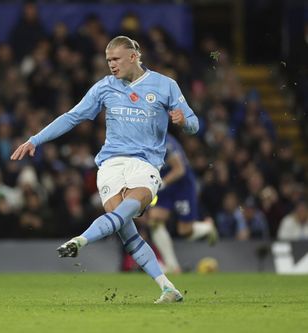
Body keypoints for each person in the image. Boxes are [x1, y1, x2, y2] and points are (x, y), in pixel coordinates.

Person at [12, 36, 199, 304]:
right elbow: (72, 116)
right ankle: (167, 287)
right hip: (110, 165)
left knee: (127, 211)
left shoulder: (165, 85)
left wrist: (184, 121)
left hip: (145, 164)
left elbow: (194, 123)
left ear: (133, 57)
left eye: (116, 59)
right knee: (124, 228)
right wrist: (35, 140)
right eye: (108, 60)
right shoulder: (105, 87)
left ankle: (81, 240)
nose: (111, 65)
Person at [147, 133, 217, 273]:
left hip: (181, 185)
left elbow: (179, 169)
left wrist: (162, 184)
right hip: (164, 182)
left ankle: (207, 227)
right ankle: (172, 266)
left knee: (185, 231)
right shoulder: (144, 140)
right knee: (154, 220)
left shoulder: (165, 142)